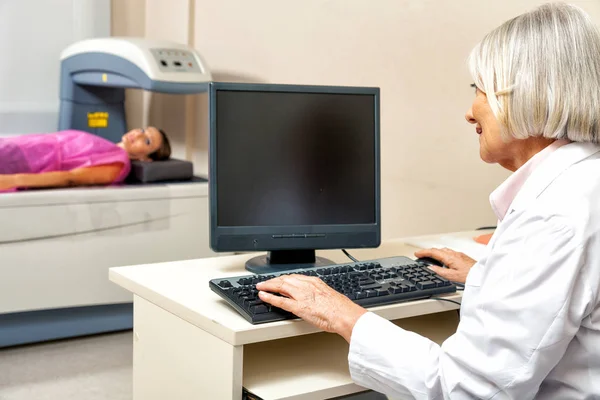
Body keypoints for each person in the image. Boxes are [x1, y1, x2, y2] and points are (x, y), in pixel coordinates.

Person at [256, 3, 600, 398]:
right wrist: (490, 276)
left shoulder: (552, 217)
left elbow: (467, 390)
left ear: (525, 95)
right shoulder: (583, 182)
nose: (470, 113)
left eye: (480, 90)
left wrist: (341, 314)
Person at [0, 126, 171, 192]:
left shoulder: (118, 163)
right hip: (15, 147)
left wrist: (12, 180)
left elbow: (70, 178)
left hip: (21, 163)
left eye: (147, 141)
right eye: (142, 129)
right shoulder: (105, 144)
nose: (139, 135)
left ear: (146, 158)